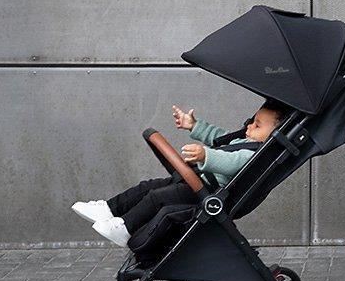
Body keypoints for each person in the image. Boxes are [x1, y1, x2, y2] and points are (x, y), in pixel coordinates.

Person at [72, 102, 290, 249]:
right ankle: (107, 209)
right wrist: (194, 126)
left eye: (258, 125)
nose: (250, 126)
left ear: (273, 135)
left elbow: (233, 162)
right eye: (253, 120)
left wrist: (206, 155)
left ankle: (124, 228)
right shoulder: (246, 141)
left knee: (156, 198)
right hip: (196, 183)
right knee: (148, 186)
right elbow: (222, 138)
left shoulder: (257, 155)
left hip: (207, 192)